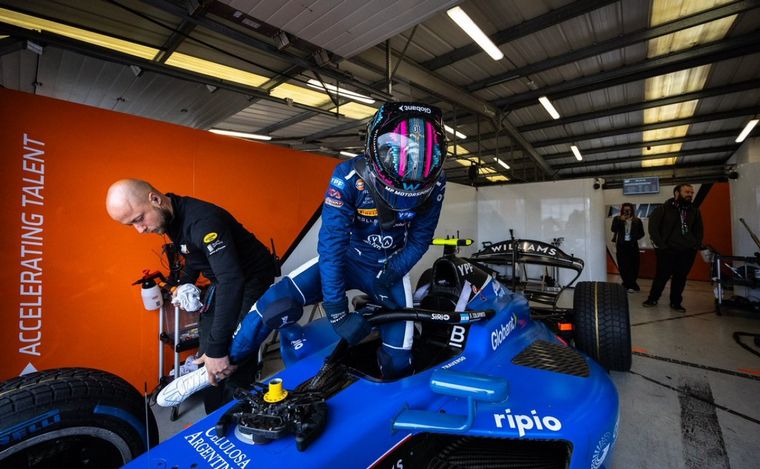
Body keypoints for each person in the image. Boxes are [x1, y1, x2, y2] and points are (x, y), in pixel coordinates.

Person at [157, 102, 448, 406]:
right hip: (346, 260)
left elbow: (419, 240)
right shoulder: (347, 176)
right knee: (270, 305)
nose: (400, 198)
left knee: (401, 356)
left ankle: (388, 407)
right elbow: (332, 247)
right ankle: (214, 368)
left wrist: (386, 276)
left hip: (390, 269)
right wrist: (337, 313)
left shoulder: (437, 182)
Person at [105, 179, 277, 411]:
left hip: (249, 278)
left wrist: (218, 350)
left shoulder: (203, 221)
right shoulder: (172, 216)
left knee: (235, 346)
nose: (140, 229)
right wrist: (184, 283)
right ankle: (213, 415)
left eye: (139, 219)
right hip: (225, 278)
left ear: (155, 200)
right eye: (131, 225)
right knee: (208, 339)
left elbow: (232, 280)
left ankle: (239, 414)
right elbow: (195, 255)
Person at [643, 184, 704, 312]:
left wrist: (695, 245)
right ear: (677, 193)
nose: (690, 195)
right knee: (661, 276)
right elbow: (653, 229)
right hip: (667, 250)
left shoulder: (694, 211)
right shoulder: (662, 209)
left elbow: (699, 230)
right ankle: (653, 298)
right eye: (687, 192)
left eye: (691, 192)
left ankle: (676, 302)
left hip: (687, 251)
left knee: (680, 277)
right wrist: (662, 247)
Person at [611, 203, 645, 292]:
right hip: (621, 245)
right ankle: (628, 284)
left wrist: (634, 238)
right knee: (623, 265)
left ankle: (631, 283)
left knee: (634, 265)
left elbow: (642, 233)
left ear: (632, 210)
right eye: (625, 210)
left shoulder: (637, 220)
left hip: (633, 245)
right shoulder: (617, 219)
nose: (627, 211)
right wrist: (621, 221)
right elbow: (613, 229)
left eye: (629, 210)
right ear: (622, 210)